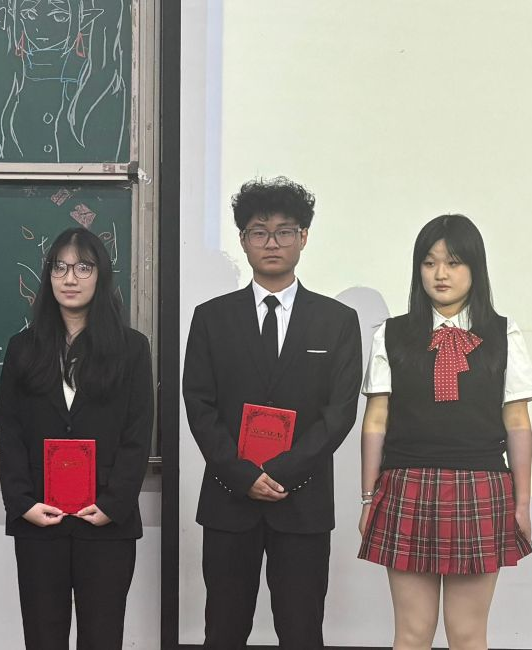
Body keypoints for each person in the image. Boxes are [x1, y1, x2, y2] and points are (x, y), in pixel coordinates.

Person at [183, 177, 362, 649]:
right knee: (223, 631)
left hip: (302, 503)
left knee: (302, 632)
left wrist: (282, 472)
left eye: (284, 231)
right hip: (229, 499)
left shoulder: (336, 321)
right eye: (259, 232)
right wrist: (242, 474)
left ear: (304, 237)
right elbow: (198, 404)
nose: (272, 242)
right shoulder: (211, 318)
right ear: (243, 240)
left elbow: (339, 413)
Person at [358, 214, 532, 650]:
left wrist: (522, 503)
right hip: (407, 485)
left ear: (476, 268)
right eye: (429, 262)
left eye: (454, 262)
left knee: (468, 634)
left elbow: (517, 421)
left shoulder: (503, 332)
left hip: (481, 487)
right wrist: (367, 499)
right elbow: (376, 419)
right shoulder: (392, 334)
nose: (440, 274)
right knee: (411, 634)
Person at [0, 227, 153, 649]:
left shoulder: (132, 349)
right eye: (60, 267)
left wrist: (113, 504)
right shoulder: (23, 348)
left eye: (83, 267)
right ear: (48, 275)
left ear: (101, 275)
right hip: (39, 519)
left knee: (102, 637)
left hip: (105, 521)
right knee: (42, 636)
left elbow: (138, 434)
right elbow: (8, 430)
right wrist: (22, 503)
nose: (70, 278)